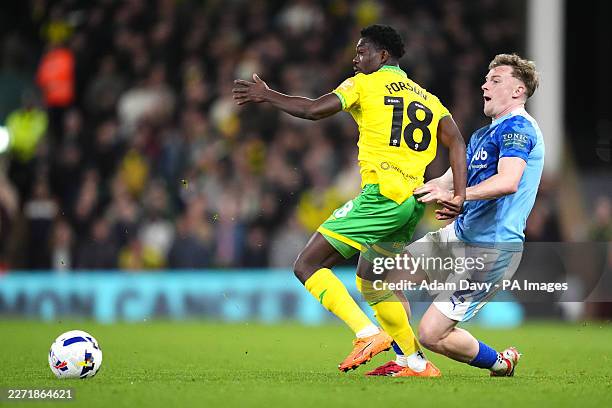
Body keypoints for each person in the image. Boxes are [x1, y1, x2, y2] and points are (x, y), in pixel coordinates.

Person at [233, 24, 466, 376]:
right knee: (372, 280)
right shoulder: (427, 98)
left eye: (361, 52)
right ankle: (415, 363)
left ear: (382, 55)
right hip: (412, 203)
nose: (355, 59)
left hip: (381, 197)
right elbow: (457, 143)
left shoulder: (364, 84)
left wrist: (269, 95)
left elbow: (314, 110)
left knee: (307, 265)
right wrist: (459, 193)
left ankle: (366, 333)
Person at [367, 53, 543, 377]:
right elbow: (446, 181)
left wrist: (458, 197)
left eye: (495, 80)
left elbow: (508, 181)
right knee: (386, 280)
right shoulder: (481, 136)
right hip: (459, 235)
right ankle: (408, 362)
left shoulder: (519, 128)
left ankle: (500, 362)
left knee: (431, 334)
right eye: (486, 79)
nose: (484, 84)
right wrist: (398, 193)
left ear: (518, 91)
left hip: (490, 248)